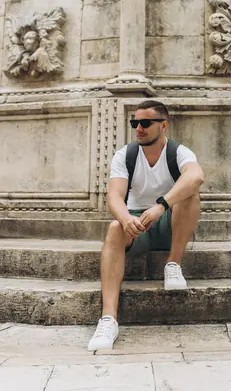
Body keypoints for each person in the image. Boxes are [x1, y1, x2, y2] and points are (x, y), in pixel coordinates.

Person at [88, 99, 204, 351]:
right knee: (113, 229)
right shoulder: (125, 155)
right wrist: (126, 218)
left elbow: (196, 176)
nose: (138, 128)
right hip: (136, 224)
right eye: (135, 123)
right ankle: (108, 319)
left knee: (190, 194)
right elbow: (114, 196)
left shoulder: (179, 152)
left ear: (163, 125)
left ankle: (173, 263)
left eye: (145, 123)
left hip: (170, 223)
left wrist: (161, 205)